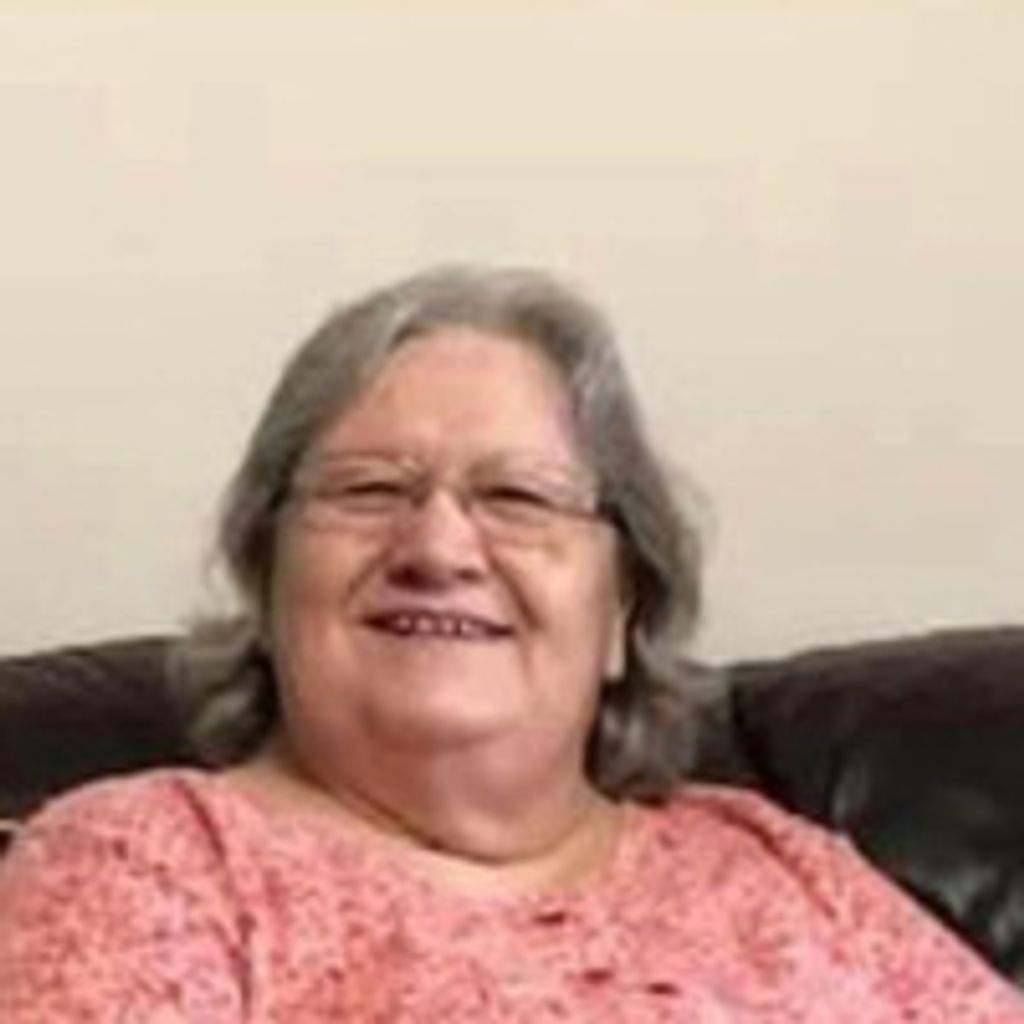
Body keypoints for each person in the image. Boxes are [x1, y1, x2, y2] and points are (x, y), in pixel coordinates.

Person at [0, 266, 1020, 1022]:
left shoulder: (783, 868)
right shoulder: (148, 863)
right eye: (369, 490)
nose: (438, 546)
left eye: (517, 497)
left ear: (622, 609)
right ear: (268, 576)